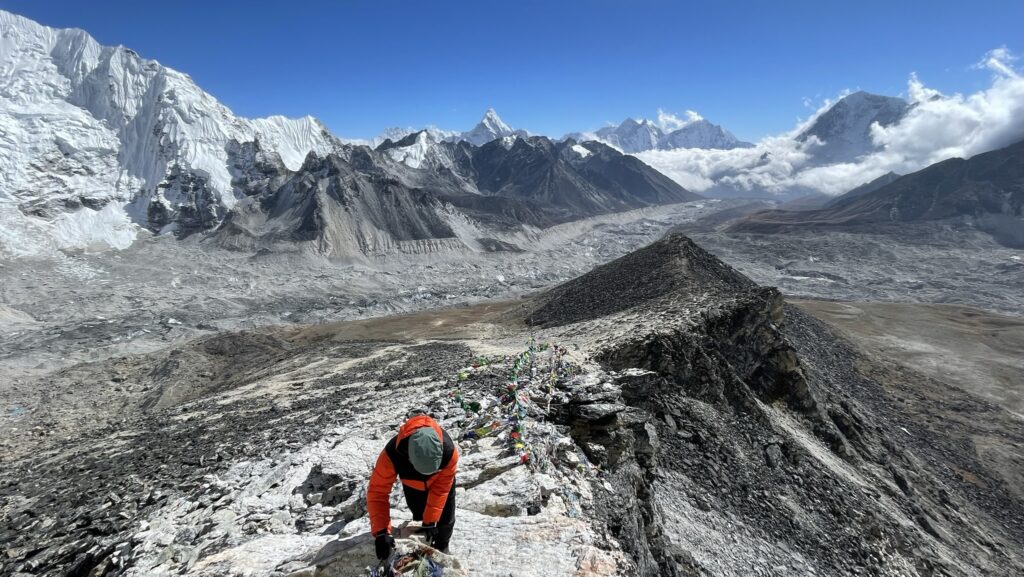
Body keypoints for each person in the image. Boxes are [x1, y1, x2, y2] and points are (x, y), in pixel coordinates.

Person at [367, 414, 459, 560]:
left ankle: (442, 547)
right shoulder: (392, 454)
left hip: (440, 483)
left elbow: (441, 489)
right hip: (413, 486)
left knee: (446, 519)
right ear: (409, 456)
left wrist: (430, 521)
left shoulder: (449, 453)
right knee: (419, 514)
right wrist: (381, 532)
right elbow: (378, 491)